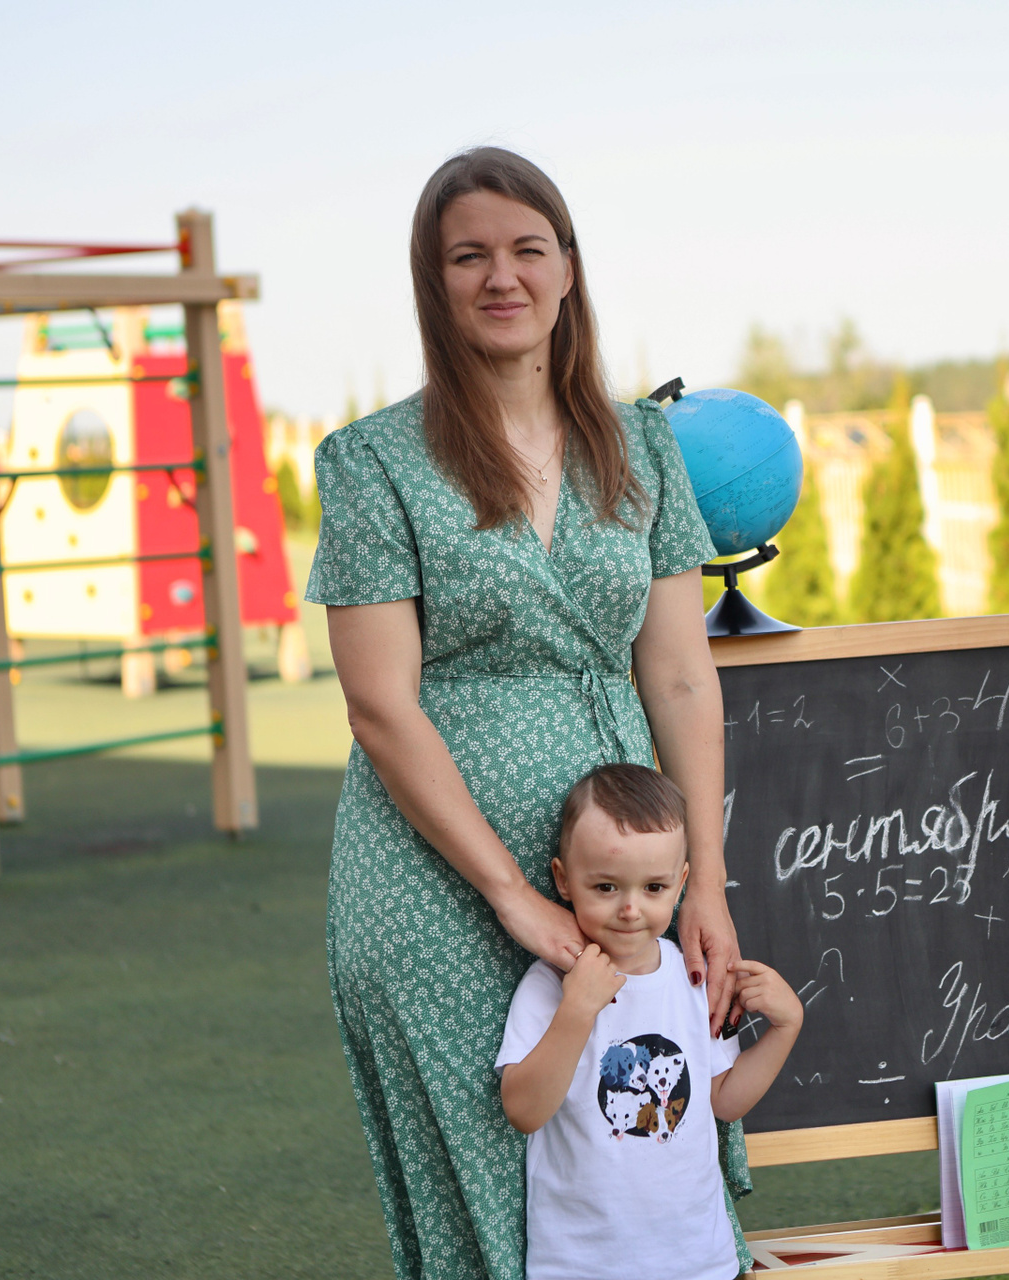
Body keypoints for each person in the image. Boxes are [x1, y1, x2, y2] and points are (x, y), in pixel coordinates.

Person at [307, 147, 744, 1280]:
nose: (501, 277)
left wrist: (704, 884)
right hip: (434, 880)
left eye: (526, 249)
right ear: (434, 281)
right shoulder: (372, 463)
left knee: (633, 1152)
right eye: (469, 256)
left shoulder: (642, 446)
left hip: (620, 868)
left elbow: (681, 676)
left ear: (568, 268)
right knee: (485, 1196)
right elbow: (379, 704)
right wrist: (509, 891)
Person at [498, 764, 802, 1280]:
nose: (630, 909)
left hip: (697, 1259)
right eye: (606, 886)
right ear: (563, 880)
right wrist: (577, 1010)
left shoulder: (693, 978)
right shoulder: (549, 985)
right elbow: (524, 1111)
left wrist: (785, 1029)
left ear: (681, 882)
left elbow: (722, 1101)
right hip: (582, 1265)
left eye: (654, 887)